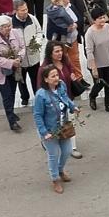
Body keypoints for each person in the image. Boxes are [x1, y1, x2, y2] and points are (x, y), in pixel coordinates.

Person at [33, 63, 80, 194]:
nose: (56, 78)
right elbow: (37, 115)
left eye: (57, 75)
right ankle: (55, 179)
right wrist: (44, 133)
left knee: (67, 151)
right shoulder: (41, 95)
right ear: (45, 79)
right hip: (50, 131)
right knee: (53, 155)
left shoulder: (61, 86)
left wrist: (73, 107)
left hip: (63, 127)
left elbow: (66, 98)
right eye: (52, 76)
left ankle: (60, 170)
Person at [0, 15, 26, 132]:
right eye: (5, 27)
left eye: (9, 25)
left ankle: (11, 112)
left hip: (13, 70)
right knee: (7, 96)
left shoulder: (15, 33)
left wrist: (19, 57)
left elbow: (22, 47)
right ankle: (12, 121)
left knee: (12, 93)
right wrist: (11, 62)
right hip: (0, 72)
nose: (8, 28)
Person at [85, 6, 109, 115]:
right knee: (99, 84)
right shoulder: (90, 33)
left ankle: (108, 104)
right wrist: (94, 68)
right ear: (94, 20)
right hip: (97, 64)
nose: (102, 20)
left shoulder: (107, 27)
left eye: (103, 17)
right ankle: (92, 96)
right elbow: (89, 51)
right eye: (99, 18)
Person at [12, 0, 43, 106]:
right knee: (21, 80)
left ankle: (38, 96)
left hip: (33, 56)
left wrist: (37, 42)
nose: (25, 12)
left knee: (36, 79)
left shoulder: (32, 19)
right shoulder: (11, 23)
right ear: (16, 11)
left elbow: (39, 31)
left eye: (26, 9)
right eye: (22, 10)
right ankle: (24, 97)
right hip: (20, 59)